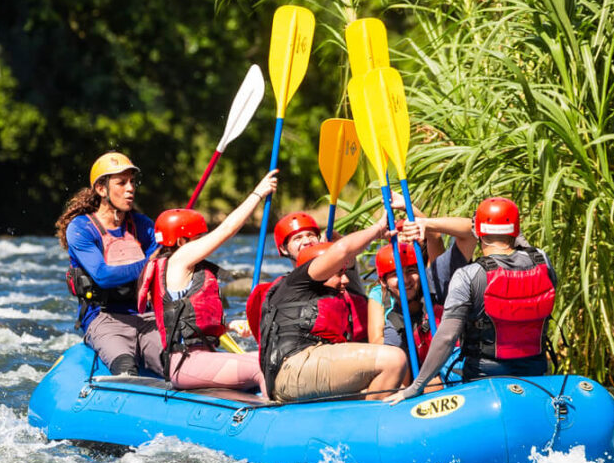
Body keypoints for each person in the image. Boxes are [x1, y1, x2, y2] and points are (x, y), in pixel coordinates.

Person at [391, 197, 558, 403]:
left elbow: (446, 338)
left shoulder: (468, 275)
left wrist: (416, 386)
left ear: (478, 233)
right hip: (535, 371)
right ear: (515, 229)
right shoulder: (543, 261)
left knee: (439, 374)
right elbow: (522, 243)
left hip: (483, 376)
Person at [136, 170, 279, 391]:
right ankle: (274, 413)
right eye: (198, 238)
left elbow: (188, 321)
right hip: (186, 363)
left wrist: (228, 327)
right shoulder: (179, 259)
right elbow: (227, 230)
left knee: (270, 355)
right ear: (182, 240)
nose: (203, 242)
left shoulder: (174, 264)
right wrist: (258, 194)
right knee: (262, 366)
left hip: (198, 359)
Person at [259, 222, 410, 402]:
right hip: (292, 369)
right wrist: (377, 229)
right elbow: (343, 249)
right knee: (394, 360)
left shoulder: (327, 293)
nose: (345, 280)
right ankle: (370, 420)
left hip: (307, 368)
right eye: (339, 273)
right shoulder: (298, 282)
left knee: (395, 382)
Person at [57, 152, 161, 375]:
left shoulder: (143, 225)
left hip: (146, 315)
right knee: (126, 367)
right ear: (101, 189)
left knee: (174, 364)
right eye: (121, 183)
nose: (130, 188)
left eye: (132, 182)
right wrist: (149, 263)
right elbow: (103, 276)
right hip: (103, 317)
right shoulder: (81, 228)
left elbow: (161, 270)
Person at [375, 213, 476, 360]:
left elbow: (471, 232)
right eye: (395, 274)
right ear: (383, 282)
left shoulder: (435, 280)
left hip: (468, 368)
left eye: (411, 271)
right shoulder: (395, 328)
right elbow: (401, 381)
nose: (405, 280)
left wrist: (424, 223)